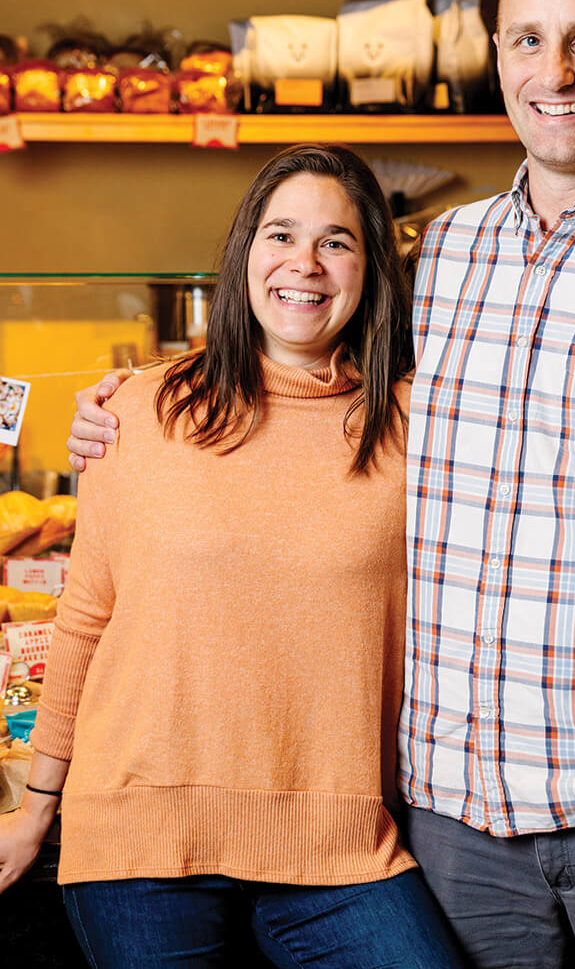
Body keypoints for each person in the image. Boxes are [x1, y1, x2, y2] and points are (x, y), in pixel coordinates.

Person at [66, 0, 575, 969]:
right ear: (497, 54)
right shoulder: (453, 254)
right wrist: (142, 399)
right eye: (528, 39)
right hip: (458, 816)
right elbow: (307, 362)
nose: (553, 73)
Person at [0, 144, 463, 969]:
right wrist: (37, 807)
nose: (305, 265)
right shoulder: (141, 410)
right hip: (140, 838)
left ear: (371, 270)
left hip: (338, 844)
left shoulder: (420, 427)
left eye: (337, 242)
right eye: (281, 235)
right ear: (244, 252)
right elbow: (85, 616)